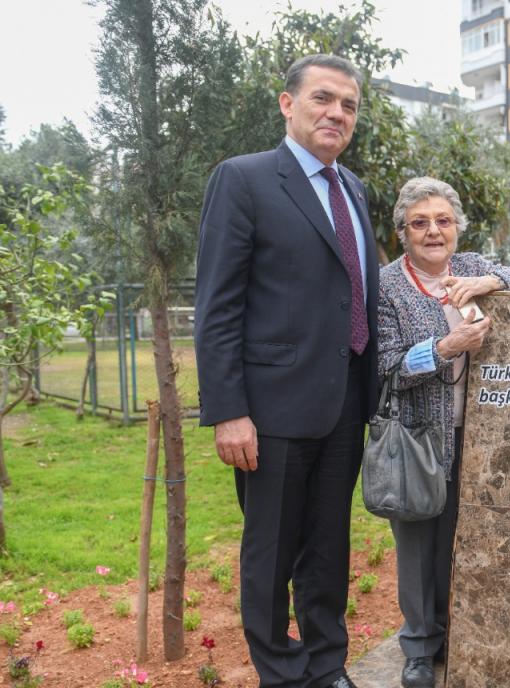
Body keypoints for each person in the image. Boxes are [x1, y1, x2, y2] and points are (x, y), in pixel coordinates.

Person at [194, 54, 378, 688]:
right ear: (287, 103)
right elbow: (217, 306)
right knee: (271, 555)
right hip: (269, 412)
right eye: (323, 99)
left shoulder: (352, 189)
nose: (336, 113)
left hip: (345, 404)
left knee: (327, 551)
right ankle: (282, 672)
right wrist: (227, 410)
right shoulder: (243, 180)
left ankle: (327, 667)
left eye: (348, 105)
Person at [377, 177, 510, 688]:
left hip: (477, 442)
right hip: (416, 439)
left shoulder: (473, 266)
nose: (433, 231)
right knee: (415, 543)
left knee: (458, 539)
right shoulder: (388, 285)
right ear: (403, 233)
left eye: (443, 221)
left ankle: (454, 632)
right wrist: (444, 347)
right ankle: (417, 646)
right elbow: (386, 367)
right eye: (420, 223)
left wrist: (491, 282)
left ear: (456, 226)